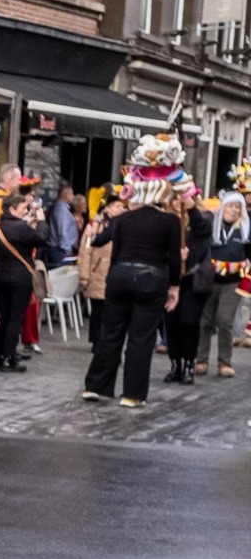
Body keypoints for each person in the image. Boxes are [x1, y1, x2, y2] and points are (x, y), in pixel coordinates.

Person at [82, 136, 187, 407]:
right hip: (150, 278)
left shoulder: (123, 219)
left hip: (119, 276)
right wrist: (174, 287)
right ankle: (132, 394)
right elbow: (173, 258)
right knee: (141, 338)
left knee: (110, 333)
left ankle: (96, 386)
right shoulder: (170, 221)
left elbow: (111, 249)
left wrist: (114, 275)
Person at [0, 191, 47, 372]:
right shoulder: (21, 228)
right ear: (12, 208)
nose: (25, 211)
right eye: (23, 208)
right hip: (21, 277)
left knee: (1, 317)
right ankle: (10, 356)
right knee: (15, 318)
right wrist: (42, 221)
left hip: (0, 275)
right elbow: (42, 239)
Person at [162, 186, 214, 386]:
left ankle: (189, 364)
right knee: (171, 322)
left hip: (194, 279)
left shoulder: (203, 218)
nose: (178, 203)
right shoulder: (167, 221)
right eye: (174, 199)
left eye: (181, 199)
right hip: (172, 278)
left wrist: (192, 209)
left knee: (189, 322)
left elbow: (203, 231)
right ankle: (176, 365)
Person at [197, 190, 246, 377]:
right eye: (230, 205)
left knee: (225, 320)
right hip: (209, 280)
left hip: (233, 283)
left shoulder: (245, 229)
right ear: (222, 206)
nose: (233, 210)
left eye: (237, 207)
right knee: (206, 320)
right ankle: (201, 360)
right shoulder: (212, 225)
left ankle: (224, 362)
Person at [76, 194, 127, 344]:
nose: (121, 209)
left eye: (122, 206)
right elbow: (85, 251)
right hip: (98, 271)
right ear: (108, 208)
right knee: (99, 308)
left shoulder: (121, 224)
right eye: (117, 206)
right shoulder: (95, 224)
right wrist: (84, 275)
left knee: (111, 309)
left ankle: (104, 339)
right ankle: (96, 339)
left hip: (114, 270)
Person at [47, 181, 81, 265]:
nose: (73, 196)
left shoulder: (62, 208)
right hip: (60, 249)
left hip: (60, 248)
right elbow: (62, 231)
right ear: (67, 195)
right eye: (72, 194)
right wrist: (67, 250)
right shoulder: (61, 209)